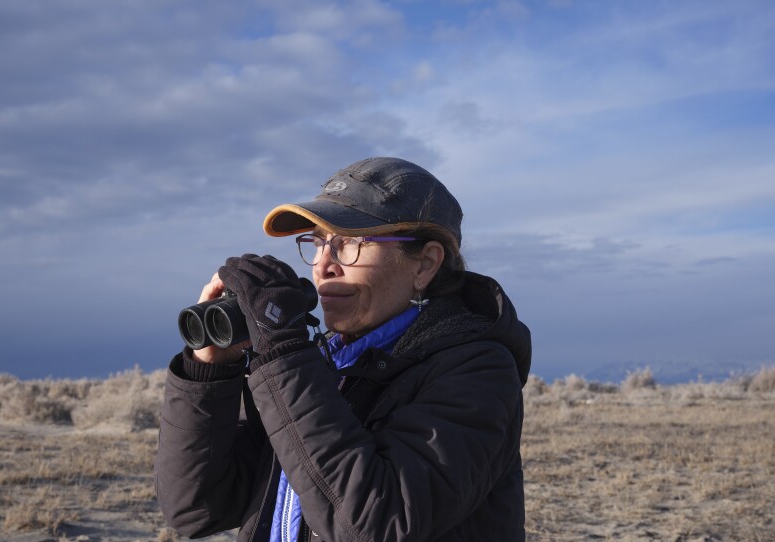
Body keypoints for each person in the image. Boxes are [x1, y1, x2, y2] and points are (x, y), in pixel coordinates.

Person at [155, 157, 532, 541]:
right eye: (318, 242)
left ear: (425, 265)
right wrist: (211, 370)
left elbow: (378, 522)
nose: (323, 266)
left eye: (351, 243)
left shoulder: (478, 373)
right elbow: (196, 508)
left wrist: (283, 351)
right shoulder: (325, 367)